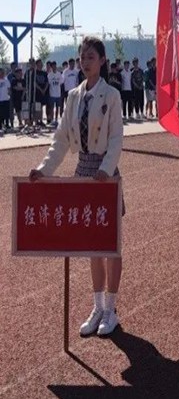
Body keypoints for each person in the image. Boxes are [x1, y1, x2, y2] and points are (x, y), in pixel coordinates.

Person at [30, 36, 125, 336]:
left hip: (105, 176)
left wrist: (106, 171)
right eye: (83, 57)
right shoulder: (73, 96)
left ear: (103, 61)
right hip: (82, 169)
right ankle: (97, 306)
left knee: (111, 245)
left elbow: (116, 140)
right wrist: (44, 170)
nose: (86, 62)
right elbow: (60, 140)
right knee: (91, 246)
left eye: (91, 57)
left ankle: (111, 309)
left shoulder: (111, 95)